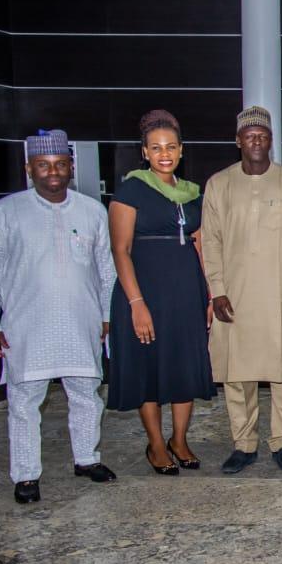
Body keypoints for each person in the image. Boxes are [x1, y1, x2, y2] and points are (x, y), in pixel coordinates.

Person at [0, 129, 116, 503]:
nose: (53, 172)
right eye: (43, 165)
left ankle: (86, 458)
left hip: (81, 324)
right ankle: (26, 475)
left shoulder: (92, 210)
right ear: (29, 168)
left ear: (70, 167)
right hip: (26, 327)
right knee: (23, 403)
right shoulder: (5, 212)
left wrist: (105, 315)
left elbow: (106, 270)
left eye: (60, 164)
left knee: (86, 396)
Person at [203, 106, 282, 474]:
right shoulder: (219, 184)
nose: (256, 142)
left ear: (271, 142)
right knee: (238, 373)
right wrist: (217, 290)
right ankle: (244, 443)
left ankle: (281, 442)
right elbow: (212, 241)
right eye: (249, 136)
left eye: (262, 137)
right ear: (238, 141)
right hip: (235, 296)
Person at [106, 110, 216, 475]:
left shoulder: (193, 194)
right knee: (149, 369)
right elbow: (120, 250)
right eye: (156, 148)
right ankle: (156, 443)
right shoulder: (131, 190)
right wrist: (136, 303)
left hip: (186, 293)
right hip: (145, 294)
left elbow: (200, 245)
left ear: (181, 150)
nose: (164, 153)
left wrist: (209, 296)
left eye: (170, 147)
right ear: (145, 151)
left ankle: (179, 439)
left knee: (184, 368)